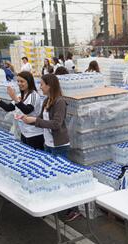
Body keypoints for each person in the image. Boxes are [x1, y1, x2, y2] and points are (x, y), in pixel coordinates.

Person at [21, 74, 80, 221]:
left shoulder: (60, 102)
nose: (40, 86)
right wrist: (28, 121)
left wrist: (35, 120)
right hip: (48, 143)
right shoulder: (47, 101)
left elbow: (56, 124)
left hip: (59, 145)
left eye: (41, 84)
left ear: (50, 86)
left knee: (63, 178)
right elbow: (41, 119)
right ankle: (57, 204)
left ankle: (73, 209)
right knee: (51, 177)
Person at [0, 71, 44, 149]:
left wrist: (14, 98)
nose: (19, 83)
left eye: (22, 81)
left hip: (35, 134)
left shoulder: (33, 95)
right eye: (18, 81)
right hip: (24, 132)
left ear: (29, 81)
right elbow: (8, 108)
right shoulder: (20, 95)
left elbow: (28, 110)